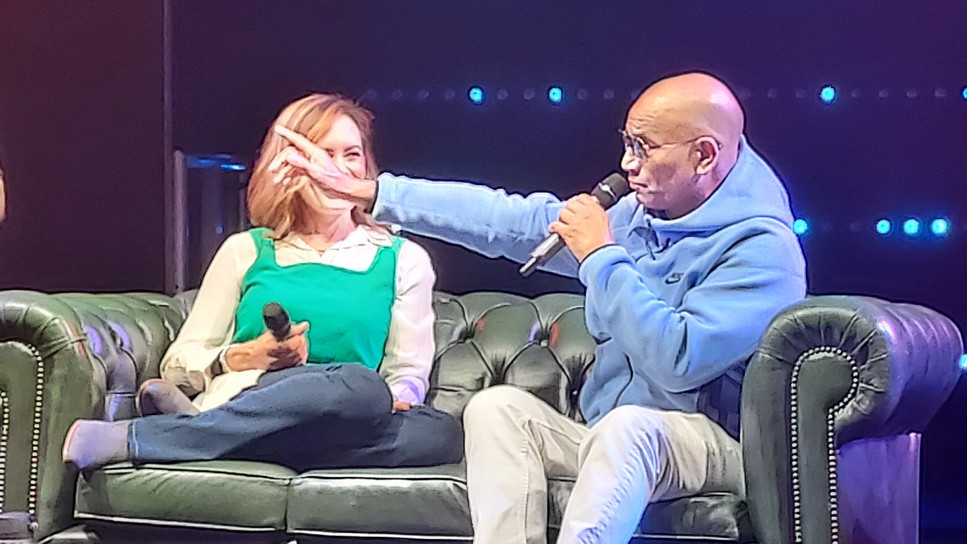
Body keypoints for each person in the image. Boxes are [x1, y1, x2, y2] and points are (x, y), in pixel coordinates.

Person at [270, 72, 807, 543]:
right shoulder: (641, 216)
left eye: (644, 148)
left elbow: (679, 361)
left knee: (629, 429)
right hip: (607, 434)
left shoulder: (762, 248)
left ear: (704, 155)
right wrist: (370, 192)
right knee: (497, 409)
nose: (627, 164)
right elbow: (505, 220)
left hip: (711, 442)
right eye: (626, 143)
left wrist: (600, 256)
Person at [62, 93, 463, 472]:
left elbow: (407, 375)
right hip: (253, 394)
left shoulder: (403, 258)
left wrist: (398, 398)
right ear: (288, 165)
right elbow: (178, 365)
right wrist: (244, 357)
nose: (338, 169)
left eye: (351, 155)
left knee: (436, 431)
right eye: (323, 154)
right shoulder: (246, 250)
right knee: (360, 383)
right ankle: (167, 436)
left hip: (348, 413)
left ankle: (185, 434)